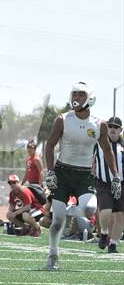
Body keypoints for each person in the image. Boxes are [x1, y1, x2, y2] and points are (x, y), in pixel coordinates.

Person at [44, 82, 121, 270]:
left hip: (84, 174)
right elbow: (49, 145)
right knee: (57, 222)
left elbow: (107, 151)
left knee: (90, 208)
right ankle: (53, 254)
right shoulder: (63, 119)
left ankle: (72, 209)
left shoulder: (99, 124)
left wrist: (116, 176)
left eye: (80, 95)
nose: (76, 98)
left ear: (90, 98)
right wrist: (50, 171)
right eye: (74, 94)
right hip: (62, 172)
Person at [93, 116, 124, 253]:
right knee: (106, 210)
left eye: (115, 127)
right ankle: (104, 233)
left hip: (121, 183)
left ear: (120, 130)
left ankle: (113, 244)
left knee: (121, 215)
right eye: (110, 126)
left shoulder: (122, 146)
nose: (112, 129)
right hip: (104, 182)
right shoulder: (98, 143)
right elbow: (91, 161)